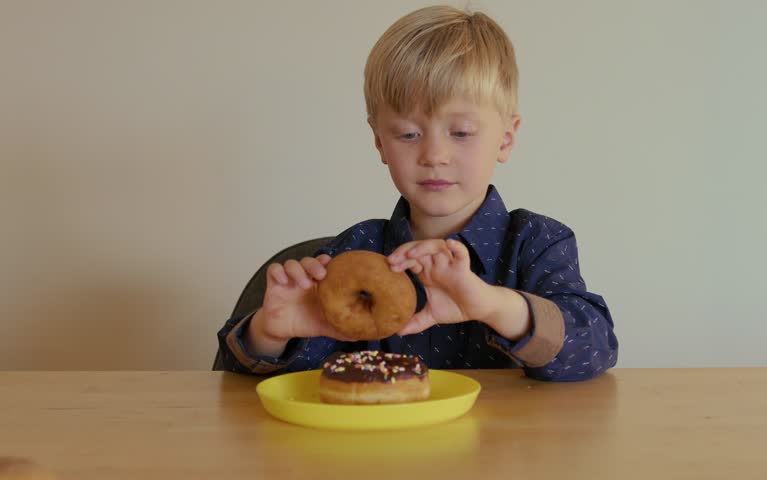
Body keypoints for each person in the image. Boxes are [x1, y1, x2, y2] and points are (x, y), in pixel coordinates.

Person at [216, 5, 618, 382]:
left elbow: (595, 348)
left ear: (506, 139)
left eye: (460, 133)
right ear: (379, 142)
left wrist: (490, 304)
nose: (434, 155)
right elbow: (237, 384)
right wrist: (271, 333)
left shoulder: (537, 244)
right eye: (408, 134)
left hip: (505, 451)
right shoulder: (357, 250)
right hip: (379, 453)